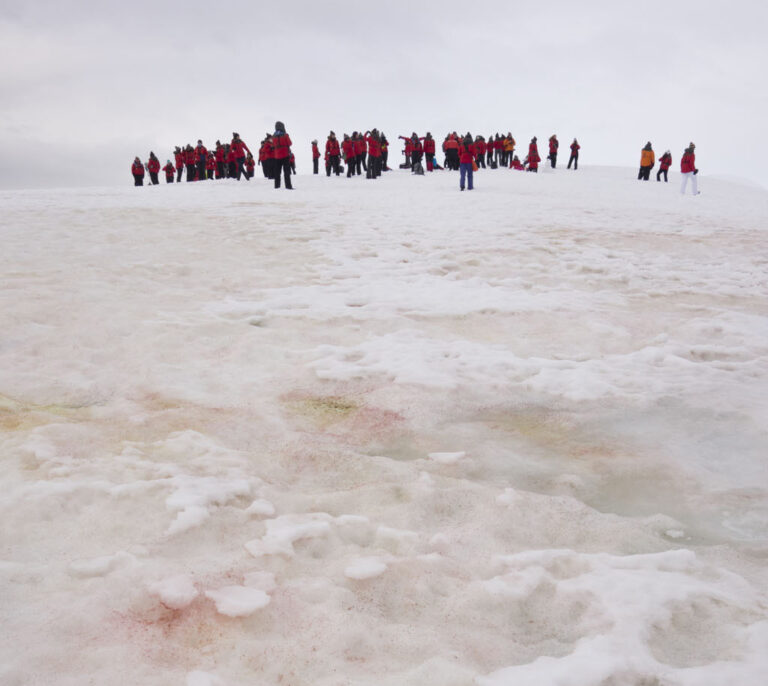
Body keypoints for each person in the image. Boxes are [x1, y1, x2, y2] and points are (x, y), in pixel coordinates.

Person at [272, 120, 293, 189]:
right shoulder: (285, 135)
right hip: (285, 155)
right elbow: (290, 143)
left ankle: (277, 186)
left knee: (277, 172)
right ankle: (288, 186)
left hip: (277, 156)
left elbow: (273, 145)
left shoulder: (273, 136)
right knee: (286, 172)